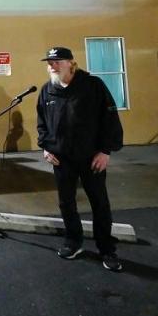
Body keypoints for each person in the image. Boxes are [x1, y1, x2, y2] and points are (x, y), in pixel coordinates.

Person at [36, 46, 124, 272]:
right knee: (66, 202)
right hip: (61, 158)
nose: (51, 66)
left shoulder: (92, 86)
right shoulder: (48, 91)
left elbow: (110, 119)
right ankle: (73, 241)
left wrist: (105, 151)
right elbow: (42, 123)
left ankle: (106, 249)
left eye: (56, 62)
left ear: (70, 63)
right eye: (49, 62)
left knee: (99, 203)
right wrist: (46, 147)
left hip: (91, 157)